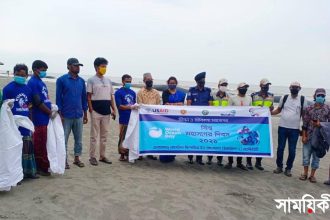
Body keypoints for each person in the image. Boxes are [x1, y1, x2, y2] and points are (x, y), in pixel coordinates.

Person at [2, 64, 38, 179]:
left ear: (27, 75)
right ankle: (16, 176)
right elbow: (4, 108)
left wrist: (31, 122)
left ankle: (29, 172)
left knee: (27, 148)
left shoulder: (28, 89)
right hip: (13, 124)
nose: (21, 77)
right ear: (14, 74)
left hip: (25, 123)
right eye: (18, 75)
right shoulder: (8, 89)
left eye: (23, 75)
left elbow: (30, 107)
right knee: (15, 149)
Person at [56, 58, 88, 168]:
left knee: (78, 139)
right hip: (66, 115)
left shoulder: (81, 81)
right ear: (68, 66)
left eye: (79, 65)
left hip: (78, 114)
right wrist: (59, 114)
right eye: (75, 65)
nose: (78, 67)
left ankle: (77, 158)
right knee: (64, 139)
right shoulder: (61, 80)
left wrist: (85, 113)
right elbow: (58, 98)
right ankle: (64, 160)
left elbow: (84, 98)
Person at [272, 82, 306, 177]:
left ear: (300, 88)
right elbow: (278, 110)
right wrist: (267, 113)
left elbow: (304, 116)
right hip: (282, 127)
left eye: (296, 87)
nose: (294, 89)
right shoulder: (284, 97)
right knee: (280, 148)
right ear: (289, 88)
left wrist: (304, 130)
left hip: (294, 130)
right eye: (293, 87)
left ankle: (288, 168)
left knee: (292, 150)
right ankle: (279, 167)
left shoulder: (303, 99)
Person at [27, 60, 54, 176]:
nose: (44, 72)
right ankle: (39, 167)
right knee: (39, 143)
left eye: (45, 70)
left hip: (45, 118)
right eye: (43, 70)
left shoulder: (41, 82)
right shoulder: (32, 82)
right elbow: (37, 102)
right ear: (35, 69)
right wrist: (50, 112)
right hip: (38, 118)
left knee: (45, 142)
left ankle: (44, 165)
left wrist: (52, 108)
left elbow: (46, 98)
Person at [87, 57, 115, 166]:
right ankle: (92, 157)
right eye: (102, 66)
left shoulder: (108, 80)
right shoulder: (91, 80)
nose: (104, 68)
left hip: (106, 111)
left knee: (104, 135)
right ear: (96, 67)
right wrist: (91, 109)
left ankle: (102, 156)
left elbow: (111, 96)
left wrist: (114, 109)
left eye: (105, 66)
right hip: (96, 111)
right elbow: (88, 96)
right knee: (94, 135)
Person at [299, 88, 330, 183]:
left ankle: (312, 175)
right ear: (314, 96)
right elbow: (305, 123)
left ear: (324, 97)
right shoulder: (308, 108)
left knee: (316, 158)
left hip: (320, 138)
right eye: (318, 95)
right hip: (308, 135)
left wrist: (321, 124)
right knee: (306, 156)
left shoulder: (328, 109)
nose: (320, 97)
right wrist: (303, 136)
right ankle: (305, 173)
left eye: (322, 96)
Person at [224, 82, 252, 171]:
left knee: (242, 142)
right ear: (238, 88)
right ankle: (230, 162)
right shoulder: (232, 98)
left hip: (244, 124)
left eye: (246, 87)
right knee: (232, 142)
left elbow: (251, 110)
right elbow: (228, 111)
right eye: (243, 87)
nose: (245, 89)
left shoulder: (249, 98)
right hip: (234, 124)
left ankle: (239, 163)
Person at [186, 72, 212, 165]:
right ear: (197, 81)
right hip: (193, 119)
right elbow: (189, 103)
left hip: (204, 119)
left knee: (201, 138)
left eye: (204, 81)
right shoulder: (191, 90)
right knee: (192, 137)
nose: (203, 82)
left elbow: (211, 104)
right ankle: (190, 158)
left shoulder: (208, 90)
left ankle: (199, 159)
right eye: (201, 81)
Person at [247, 78, 274, 170]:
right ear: (260, 86)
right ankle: (249, 162)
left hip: (264, 123)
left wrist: (270, 109)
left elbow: (271, 108)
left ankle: (258, 162)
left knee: (262, 142)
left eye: (267, 85)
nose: (266, 87)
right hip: (254, 122)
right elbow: (249, 108)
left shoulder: (271, 96)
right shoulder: (254, 96)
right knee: (251, 140)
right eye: (264, 85)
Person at [160, 76, 186, 163]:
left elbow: (182, 104)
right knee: (167, 135)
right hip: (167, 118)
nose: (172, 84)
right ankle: (164, 155)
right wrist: (177, 104)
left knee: (175, 136)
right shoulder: (165, 92)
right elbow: (166, 103)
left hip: (177, 119)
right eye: (170, 83)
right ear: (168, 83)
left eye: (174, 83)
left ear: (176, 83)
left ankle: (172, 155)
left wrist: (172, 104)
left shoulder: (181, 94)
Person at [137, 72, 161, 160]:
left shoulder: (156, 93)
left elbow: (158, 105)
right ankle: (140, 154)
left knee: (152, 135)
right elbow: (140, 105)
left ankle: (150, 153)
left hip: (153, 118)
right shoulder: (140, 92)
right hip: (143, 118)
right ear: (144, 81)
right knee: (142, 135)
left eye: (151, 80)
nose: (150, 82)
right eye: (148, 80)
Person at [115, 74, 137, 161]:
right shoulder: (119, 92)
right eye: (127, 81)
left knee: (130, 137)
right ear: (123, 82)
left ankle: (129, 154)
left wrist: (135, 107)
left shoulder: (133, 93)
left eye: (130, 82)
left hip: (132, 119)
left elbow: (134, 103)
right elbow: (119, 106)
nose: (128, 83)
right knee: (122, 137)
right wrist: (130, 107)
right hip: (123, 118)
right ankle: (122, 155)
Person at [208, 78, 230, 166]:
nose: (224, 87)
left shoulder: (228, 97)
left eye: (225, 85)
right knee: (211, 140)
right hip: (213, 121)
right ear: (218, 86)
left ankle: (219, 160)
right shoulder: (213, 95)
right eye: (222, 85)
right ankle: (209, 159)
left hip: (224, 122)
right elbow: (210, 106)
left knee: (221, 141)